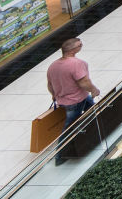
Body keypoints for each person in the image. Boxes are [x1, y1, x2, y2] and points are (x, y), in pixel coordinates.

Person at [47, 37, 101, 165]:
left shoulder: (53, 65)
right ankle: (59, 156)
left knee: (93, 109)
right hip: (75, 100)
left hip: (65, 100)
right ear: (73, 50)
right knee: (69, 129)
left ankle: (95, 133)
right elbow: (84, 82)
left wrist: (54, 95)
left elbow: (49, 85)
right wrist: (94, 90)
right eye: (80, 45)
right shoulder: (76, 63)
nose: (81, 46)